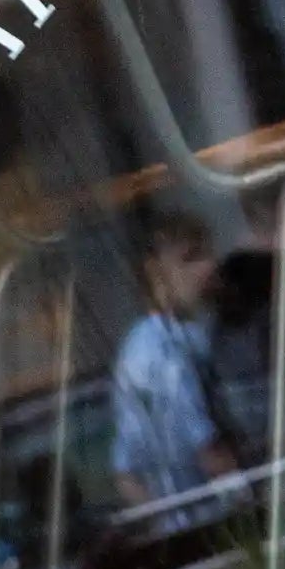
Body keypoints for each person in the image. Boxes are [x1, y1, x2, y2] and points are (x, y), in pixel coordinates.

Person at [109, 208, 237, 507]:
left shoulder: (137, 349)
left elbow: (126, 477)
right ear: (156, 272)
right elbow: (212, 455)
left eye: (208, 254)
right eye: (190, 258)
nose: (208, 267)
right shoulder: (168, 352)